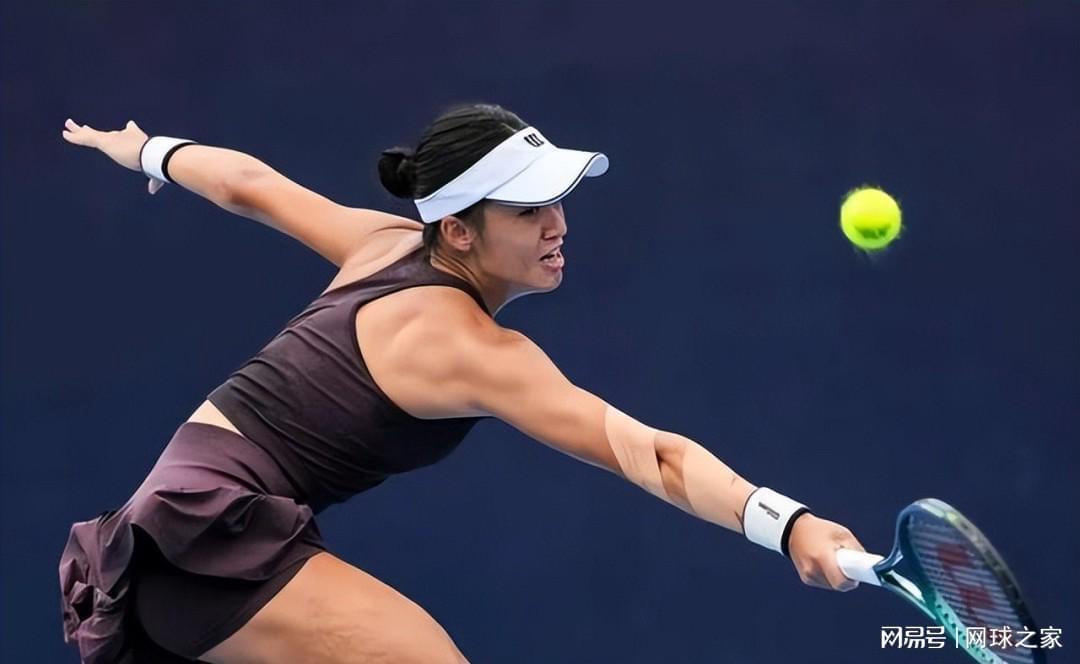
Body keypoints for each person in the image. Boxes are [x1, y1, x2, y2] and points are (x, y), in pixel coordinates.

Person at [59, 103, 866, 664]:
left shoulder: (382, 244)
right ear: (457, 230)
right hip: (206, 548)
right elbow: (651, 457)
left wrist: (147, 152)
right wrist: (789, 525)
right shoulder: (472, 349)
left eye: (557, 201)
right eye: (528, 211)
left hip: (174, 536)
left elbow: (248, 185)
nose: (558, 225)